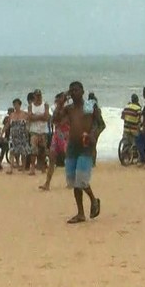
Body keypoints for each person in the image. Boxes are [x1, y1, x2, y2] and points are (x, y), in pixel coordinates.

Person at [54, 81, 103, 224]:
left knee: (81, 179)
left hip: (85, 146)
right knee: (74, 181)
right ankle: (81, 213)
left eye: (76, 90)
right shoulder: (68, 109)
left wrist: (93, 135)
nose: (74, 93)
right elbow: (55, 120)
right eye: (71, 91)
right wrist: (60, 104)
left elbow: (99, 123)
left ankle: (93, 200)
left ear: (82, 91)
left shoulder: (89, 105)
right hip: (72, 147)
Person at [40, 92, 70, 191]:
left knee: (69, 159)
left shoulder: (68, 109)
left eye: (58, 100)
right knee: (52, 158)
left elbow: (62, 121)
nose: (56, 102)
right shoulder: (57, 110)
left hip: (66, 136)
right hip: (57, 135)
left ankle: (70, 181)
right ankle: (47, 183)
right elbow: (53, 120)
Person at [7, 98, 32, 175]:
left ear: (20, 105)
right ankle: (11, 168)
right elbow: (7, 125)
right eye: (14, 104)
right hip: (13, 136)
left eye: (16, 104)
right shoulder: (12, 115)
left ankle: (23, 168)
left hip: (22, 135)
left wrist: (28, 130)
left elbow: (29, 122)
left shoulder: (25, 114)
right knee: (12, 151)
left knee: (23, 152)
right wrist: (2, 133)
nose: (15, 106)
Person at [28, 89, 50, 173]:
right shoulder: (31, 106)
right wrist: (41, 116)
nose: (38, 97)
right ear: (34, 96)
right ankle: (32, 167)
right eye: (37, 95)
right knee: (33, 150)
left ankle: (43, 166)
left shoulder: (45, 105)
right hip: (34, 131)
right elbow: (30, 117)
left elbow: (46, 118)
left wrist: (35, 117)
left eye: (39, 95)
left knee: (43, 149)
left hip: (43, 131)